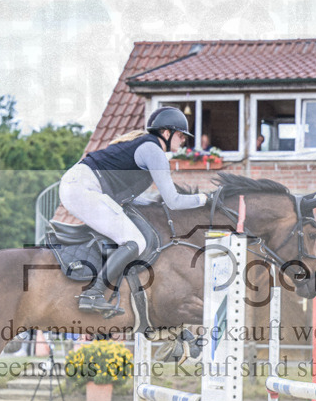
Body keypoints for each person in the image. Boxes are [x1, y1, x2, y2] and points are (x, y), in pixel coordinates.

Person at [58, 107, 207, 314]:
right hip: (83, 187)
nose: (183, 141)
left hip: (79, 185)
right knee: (136, 241)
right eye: (181, 135)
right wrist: (205, 199)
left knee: (128, 234)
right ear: (166, 133)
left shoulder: (147, 146)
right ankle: (92, 294)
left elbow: (141, 199)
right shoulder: (153, 151)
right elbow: (173, 201)